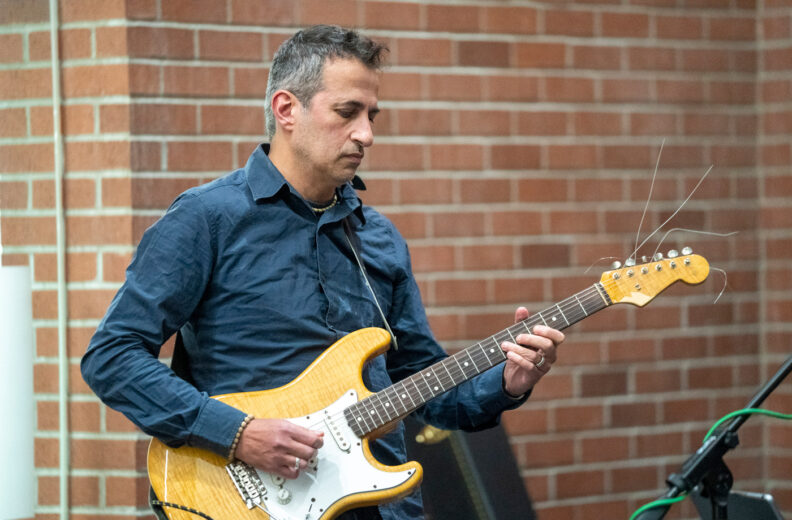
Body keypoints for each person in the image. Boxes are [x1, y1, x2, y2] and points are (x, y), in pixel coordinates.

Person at [81, 24, 564, 520]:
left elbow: (421, 383)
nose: (367, 134)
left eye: (372, 115)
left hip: (381, 506)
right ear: (286, 109)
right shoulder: (206, 219)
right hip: (246, 502)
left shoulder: (379, 238)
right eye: (347, 112)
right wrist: (236, 433)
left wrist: (507, 382)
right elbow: (112, 357)